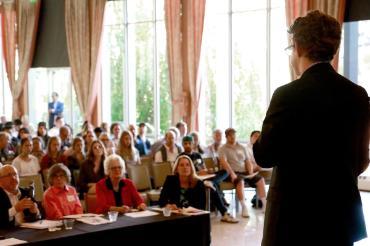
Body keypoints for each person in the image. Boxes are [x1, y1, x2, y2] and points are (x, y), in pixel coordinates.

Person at [253, 11, 369, 246]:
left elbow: (264, 156)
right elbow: (362, 159)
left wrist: (255, 141)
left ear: (296, 46)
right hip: (340, 218)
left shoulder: (287, 95)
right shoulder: (358, 95)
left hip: (292, 221)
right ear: (333, 49)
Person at [159, 155, 238, 223]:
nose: (185, 168)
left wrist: (185, 210)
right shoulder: (170, 180)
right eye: (181, 165)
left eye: (187, 165)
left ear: (191, 168)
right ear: (176, 169)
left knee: (211, 186)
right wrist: (168, 205)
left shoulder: (198, 183)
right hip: (175, 216)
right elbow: (161, 200)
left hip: (192, 218)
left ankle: (224, 212)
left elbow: (200, 207)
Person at [218, 128, 266, 218]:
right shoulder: (223, 149)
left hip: (245, 172)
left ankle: (264, 205)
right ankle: (244, 207)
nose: (232, 137)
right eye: (230, 135)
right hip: (232, 173)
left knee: (260, 179)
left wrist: (251, 172)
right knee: (240, 181)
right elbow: (224, 163)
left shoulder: (242, 147)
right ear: (226, 137)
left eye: (234, 135)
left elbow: (247, 161)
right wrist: (232, 174)